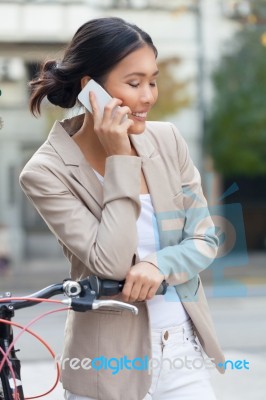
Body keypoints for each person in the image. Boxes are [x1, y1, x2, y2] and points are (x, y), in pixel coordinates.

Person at [20, 17, 225, 400]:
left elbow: (205, 238)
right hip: (106, 364)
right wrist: (120, 160)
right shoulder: (45, 172)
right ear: (90, 89)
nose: (148, 96)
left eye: (153, 80)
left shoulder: (168, 140)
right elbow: (110, 262)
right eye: (134, 83)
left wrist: (159, 264)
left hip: (182, 348)